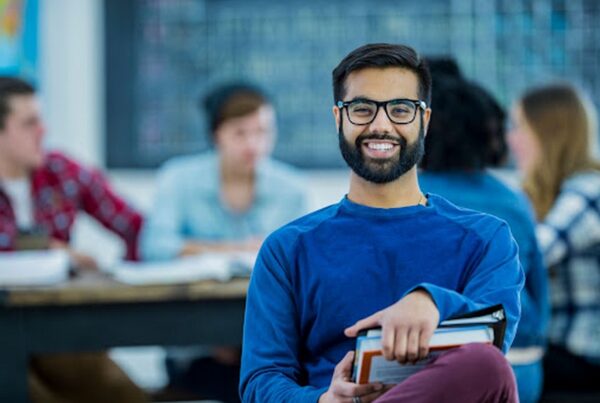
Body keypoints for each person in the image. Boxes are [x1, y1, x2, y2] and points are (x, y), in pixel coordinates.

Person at [240, 43, 523, 403]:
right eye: (361, 109)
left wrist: (432, 303)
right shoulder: (287, 250)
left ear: (425, 120)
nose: (380, 125)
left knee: (487, 365)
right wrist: (323, 400)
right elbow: (260, 382)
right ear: (338, 118)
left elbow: (494, 337)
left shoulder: (487, 239)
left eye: (401, 109)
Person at [141, 82, 307, 402]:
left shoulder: (292, 188)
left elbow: (303, 263)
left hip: (271, 343)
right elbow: (156, 247)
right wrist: (238, 249)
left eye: (262, 132)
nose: (254, 144)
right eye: (240, 133)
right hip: (195, 343)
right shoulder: (178, 178)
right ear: (217, 134)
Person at [0, 77, 146, 402]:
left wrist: (118, 276)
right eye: (29, 123)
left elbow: (136, 227)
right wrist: (52, 249)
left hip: (58, 328)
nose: (43, 131)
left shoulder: (61, 171)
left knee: (120, 392)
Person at [419, 68, 549, 403]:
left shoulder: (412, 198)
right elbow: (538, 294)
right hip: (525, 367)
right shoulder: (514, 200)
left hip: (444, 366)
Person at [508, 83, 600, 396]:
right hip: (560, 353)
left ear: (548, 133)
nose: (511, 139)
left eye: (519, 126)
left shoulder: (589, 192)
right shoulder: (542, 197)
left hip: (583, 358)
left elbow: (528, 256)